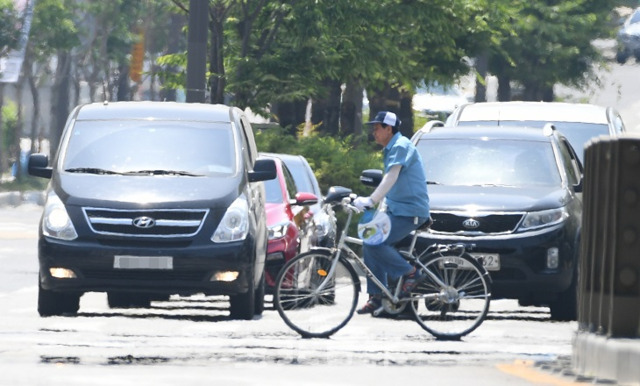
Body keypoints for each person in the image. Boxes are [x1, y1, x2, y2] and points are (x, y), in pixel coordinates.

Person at [353, 111, 431, 315]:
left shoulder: (400, 145)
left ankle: (411, 273)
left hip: (410, 211)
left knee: (376, 242)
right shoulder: (391, 148)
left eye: (377, 128)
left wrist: (370, 200)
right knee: (369, 240)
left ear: (389, 129)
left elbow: (391, 177)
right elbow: (391, 188)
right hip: (399, 209)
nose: (374, 132)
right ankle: (377, 296)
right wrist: (375, 208)